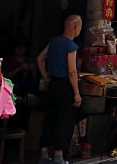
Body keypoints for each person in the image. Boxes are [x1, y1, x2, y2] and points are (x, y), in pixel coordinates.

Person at [37, 14, 82, 164]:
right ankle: (58, 156)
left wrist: (46, 76)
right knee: (64, 120)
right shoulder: (71, 46)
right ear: (75, 27)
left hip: (53, 85)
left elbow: (40, 58)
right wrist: (76, 93)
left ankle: (43, 154)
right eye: (79, 27)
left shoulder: (54, 41)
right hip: (65, 86)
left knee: (50, 117)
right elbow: (72, 71)